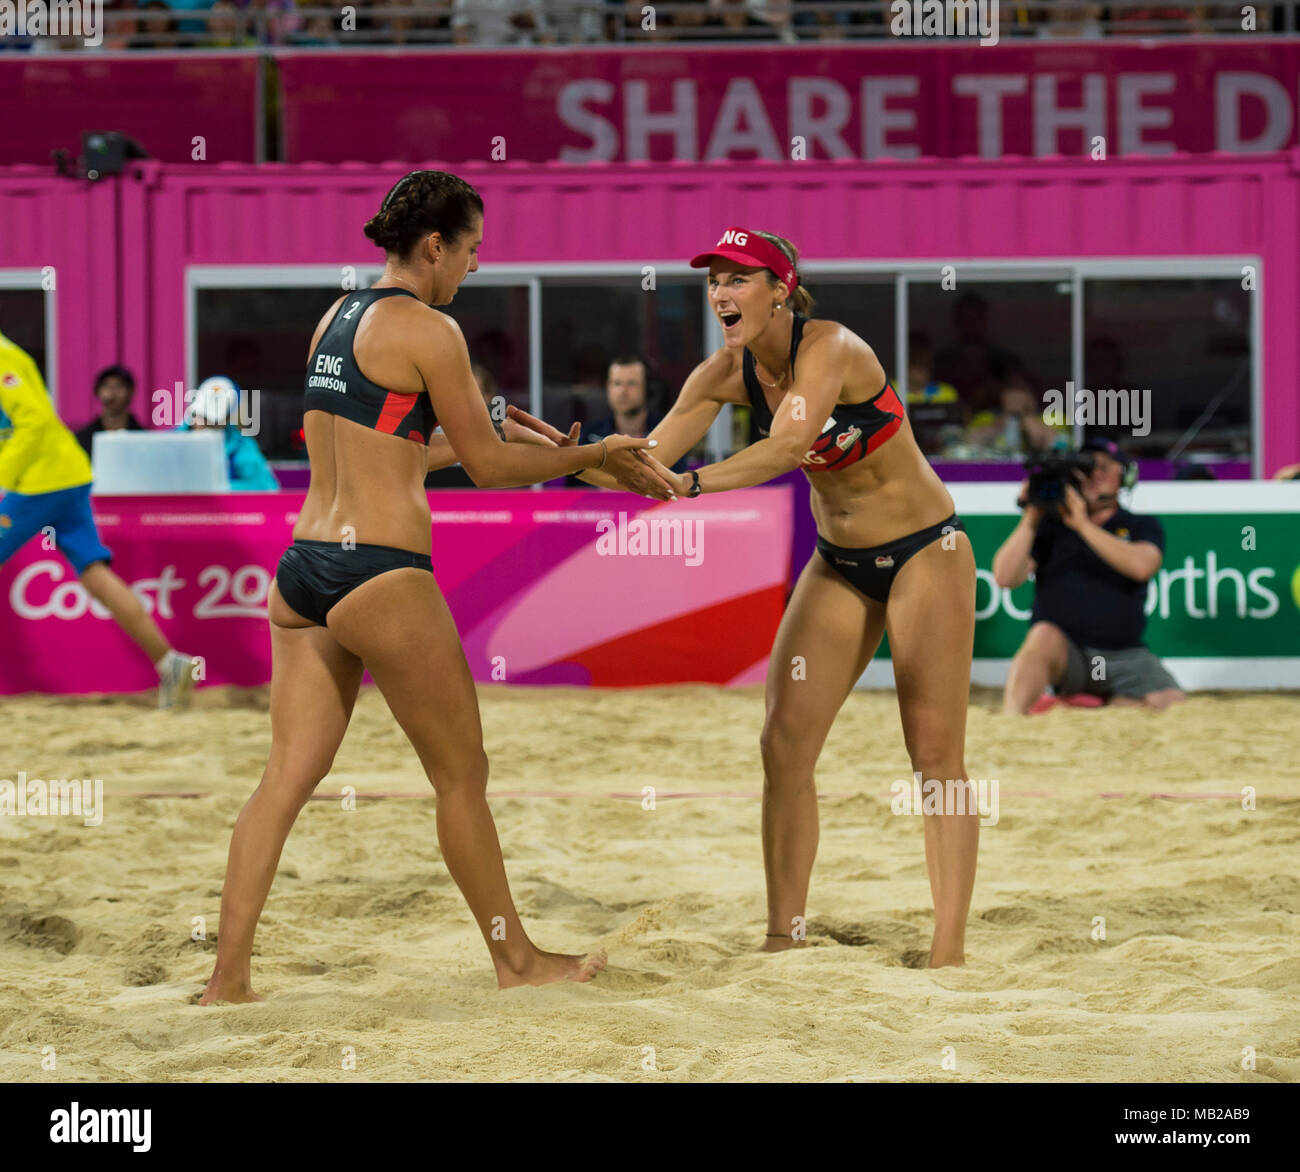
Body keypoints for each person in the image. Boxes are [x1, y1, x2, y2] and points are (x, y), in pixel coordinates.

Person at [200, 169, 668, 1006]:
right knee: (461, 777)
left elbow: (406, 449)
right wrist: (586, 457)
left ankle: (226, 980)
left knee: (281, 781)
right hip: (379, 571)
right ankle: (516, 961)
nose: (476, 267)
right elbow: (490, 471)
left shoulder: (333, 318)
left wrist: (537, 449)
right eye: (473, 249)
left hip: (304, 569)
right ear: (433, 246)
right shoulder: (430, 328)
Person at [515, 227, 979, 968]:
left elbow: (786, 447)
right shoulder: (722, 373)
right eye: (713, 281)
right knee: (783, 745)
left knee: (935, 758)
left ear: (782, 289)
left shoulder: (832, 348)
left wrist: (692, 484)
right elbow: (650, 468)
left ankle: (949, 950)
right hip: (842, 562)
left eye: (738, 279)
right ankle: (782, 936)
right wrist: (568, 459)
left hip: (929, 551)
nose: (721, 294)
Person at [0, 329, 196, 708]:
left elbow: (35, 423)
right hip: (66, 476)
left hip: (42, 481)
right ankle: (169, 663)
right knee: (94, 573)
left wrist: (3, 479)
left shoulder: (2, 356)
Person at [993, 437, 1184, 713]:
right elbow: (1005, 577)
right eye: (1087, 468)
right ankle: (1012, 721)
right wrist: (1032, 516)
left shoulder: (1140, 524)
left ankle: (1092, 704)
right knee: (1042, 634)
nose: (1096, 474)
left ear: (1126, 477)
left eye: (1106, 467)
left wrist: (1082, 525)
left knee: (1172, 704)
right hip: (1068, 654)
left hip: (1125, 654)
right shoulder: (1050, 527)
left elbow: (1142, 565)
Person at [177, 376, 280, 491]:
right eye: (203, 417)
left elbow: (266, 487)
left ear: (227, 419)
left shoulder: (240, 446)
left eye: (214, 422)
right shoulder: (171, 442)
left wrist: (219, 489)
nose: (205, 425)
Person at [74, 365, 145, 457]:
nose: (112, 392)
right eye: (106, 386)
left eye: (119, 386)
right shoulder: (82, 439)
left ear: (130, 392)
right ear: (97, 391)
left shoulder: (142, 439)